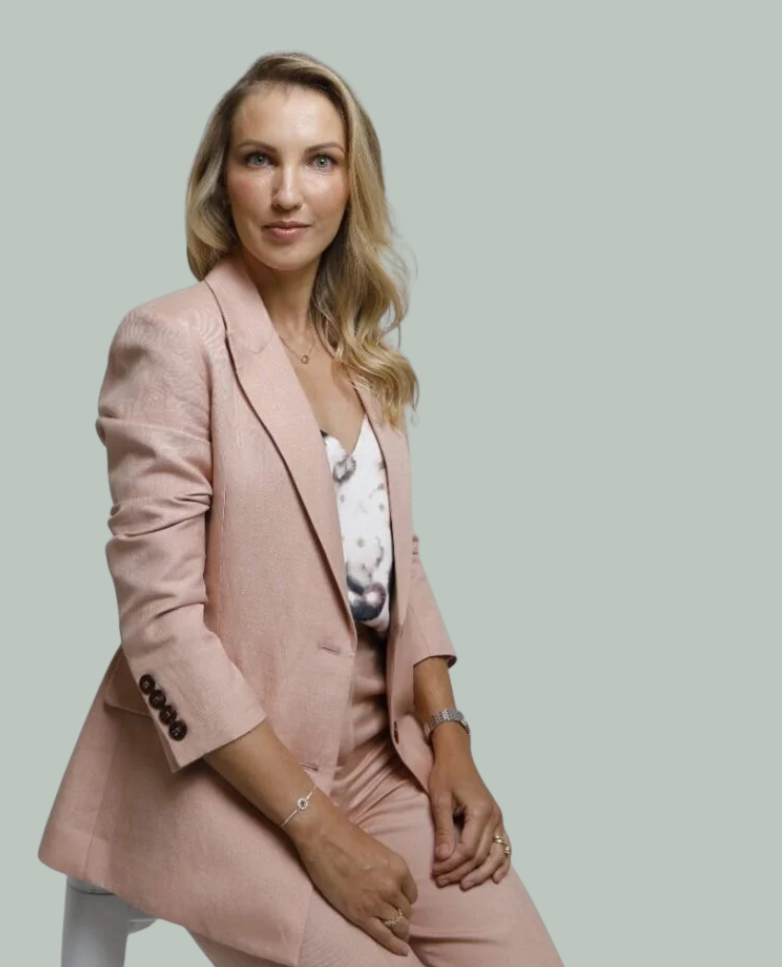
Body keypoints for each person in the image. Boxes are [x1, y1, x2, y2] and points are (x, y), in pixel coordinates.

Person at [38, 51, 565, 967]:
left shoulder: (359, 352)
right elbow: (161, 628)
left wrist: (449, 739)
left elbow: (396, 559)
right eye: (259, 159)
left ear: (352, 184)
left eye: (319, 160)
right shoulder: (171, 339)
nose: (288, 193)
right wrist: (316, 829)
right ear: (222, 182)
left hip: (376, 758)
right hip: (222, 773)